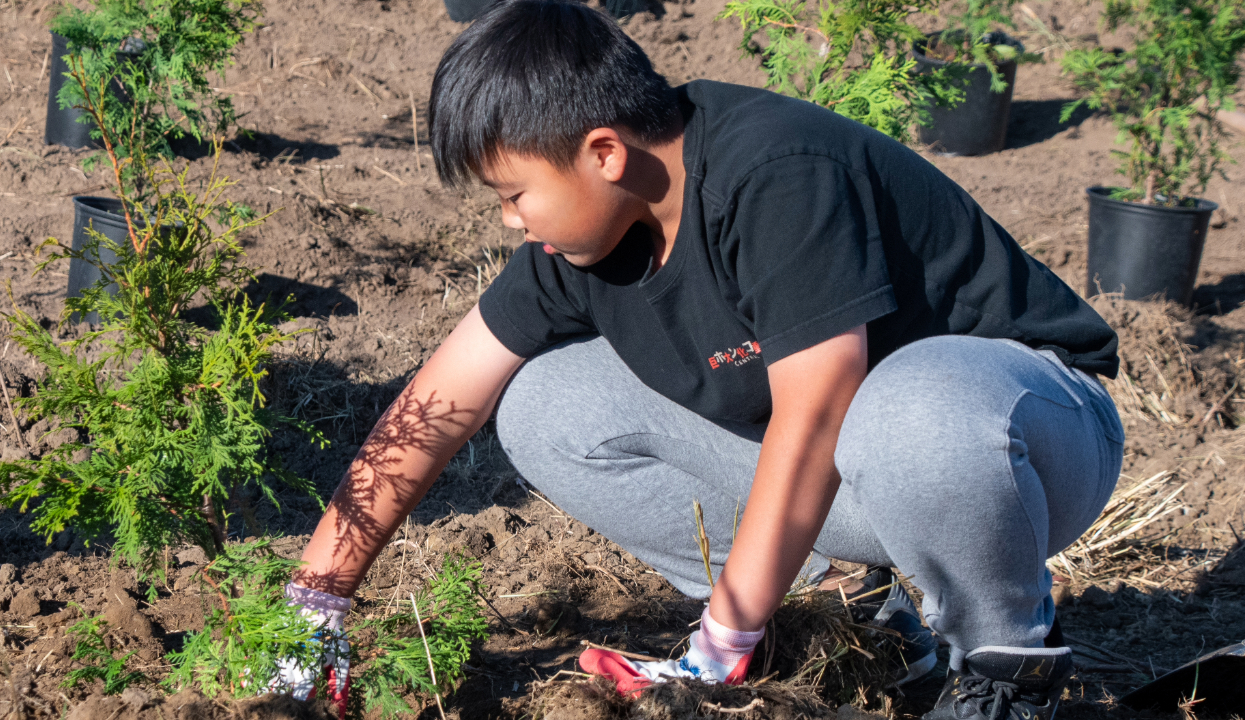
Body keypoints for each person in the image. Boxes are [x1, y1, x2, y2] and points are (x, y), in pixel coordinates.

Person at [270, 2, 1125, 718]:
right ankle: (847, 602)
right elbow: (436, 403)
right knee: (542, 404)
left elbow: (820, 407)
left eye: (514, 195)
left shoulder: (777, 174)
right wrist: (318, 599)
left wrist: (720, 647)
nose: (511, 222)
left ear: (604, 153)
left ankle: (1004, 663)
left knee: (906, 407)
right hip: (868, 473)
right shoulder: (585, 242)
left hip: (1022, 438)